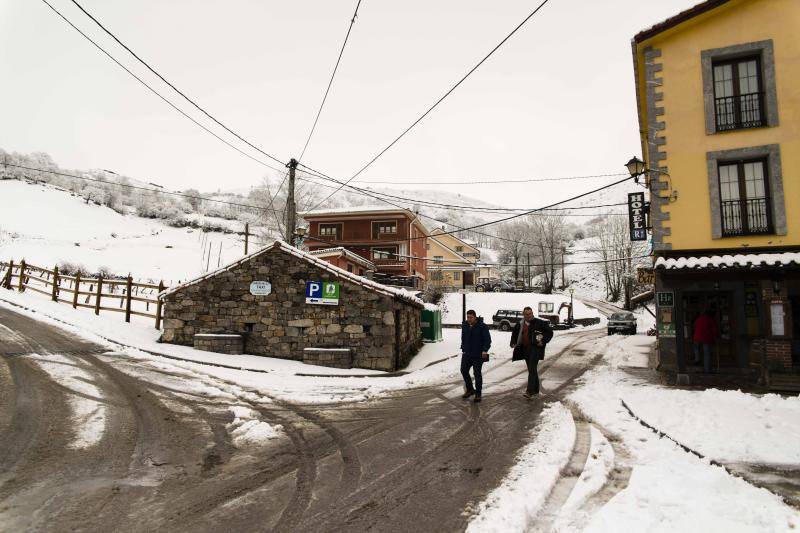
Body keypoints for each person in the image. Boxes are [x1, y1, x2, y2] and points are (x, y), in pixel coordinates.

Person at [510, 306, 554, 399]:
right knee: (532, 370)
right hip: (525, 350)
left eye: (530, 314)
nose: (528, 316)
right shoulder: (520, 324)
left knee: (532, 369)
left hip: (536, 349)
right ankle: (536, 390)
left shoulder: (539, 323)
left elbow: (549, 332)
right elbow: (515, 334)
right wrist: (513, 343)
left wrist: (544, 340)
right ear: (523, 315)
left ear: (532, 313)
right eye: (526, 314)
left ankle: (529, 391)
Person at [460, 309, 491, 403]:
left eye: (471, 317)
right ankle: (470, 389)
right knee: (463, 370)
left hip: (478, 354)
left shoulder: (482, 326)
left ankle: (478, 394)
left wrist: (485, 350)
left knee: (477, 373)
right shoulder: (465, 325)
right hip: (467, 353)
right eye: (467, 317)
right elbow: (463, 337)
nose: (469, 319)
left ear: (475, 317)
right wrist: (463, 348)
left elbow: (487, 340)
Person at [693, 306, 719, 373]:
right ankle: (707, 369)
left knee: (696, 348)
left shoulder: (698, 318)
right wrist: (716, 336)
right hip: (706, 338)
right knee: (707, 354)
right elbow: (715, 330)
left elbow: (694, 326)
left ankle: (697, 359)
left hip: (697, 337)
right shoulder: (710, 319)